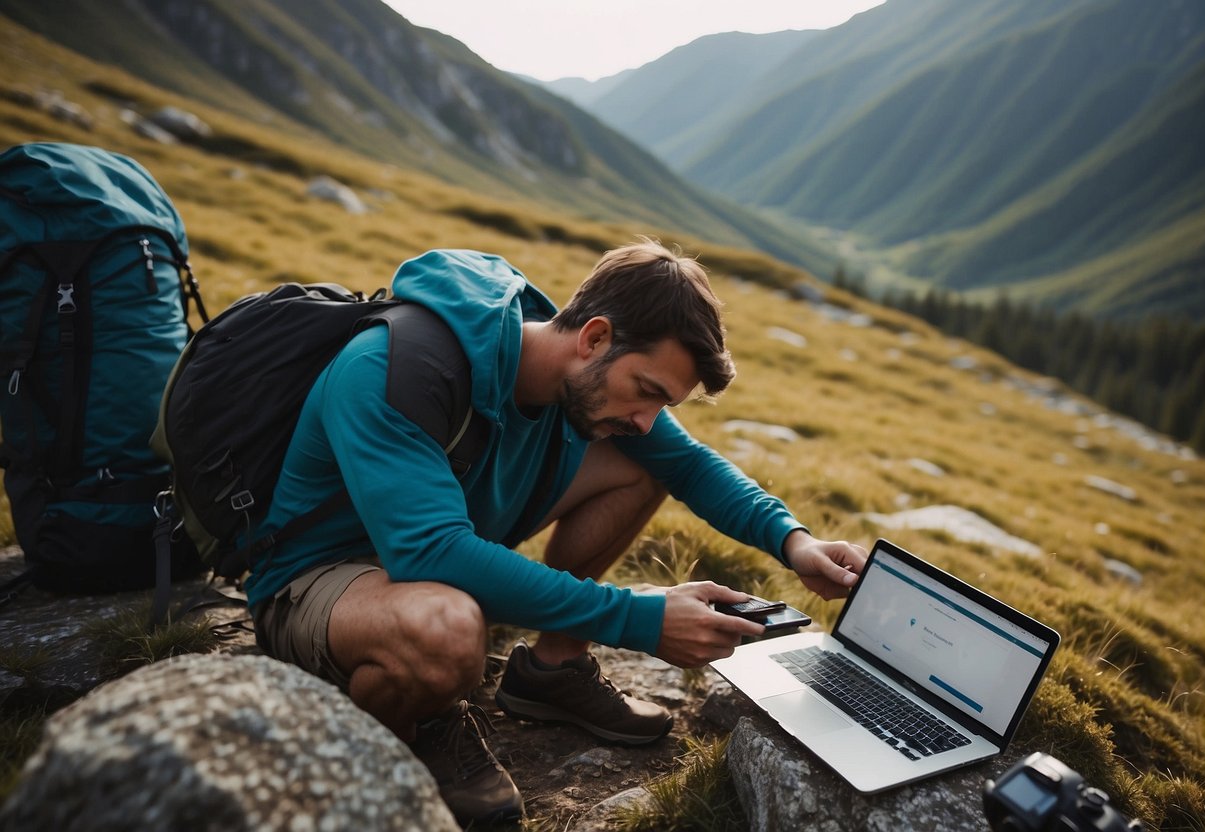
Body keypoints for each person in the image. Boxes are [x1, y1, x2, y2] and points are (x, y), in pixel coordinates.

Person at [244, 240, 868, 826]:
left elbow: (692, 465)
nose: (648, 418)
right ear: (595, 338)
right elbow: (430, 551)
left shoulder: (573, 377)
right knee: (446, 629)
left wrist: (796, 543)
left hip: (433, 551)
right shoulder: (394, 367)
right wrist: (638, 618)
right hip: (319, 579)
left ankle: (553, 670)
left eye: (664, 404)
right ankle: (407, 741)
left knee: (640, 464)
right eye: (646, 391)